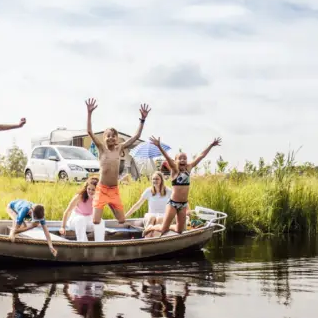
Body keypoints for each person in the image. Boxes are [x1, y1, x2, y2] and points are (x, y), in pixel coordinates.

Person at [84, 97, 150, 241]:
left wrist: (142, 120)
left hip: (114, 190)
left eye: (114, 136)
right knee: (95, 221)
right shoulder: (101, 148)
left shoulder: (120, 148)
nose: (111, 138)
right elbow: (89, 131)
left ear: (117, 139)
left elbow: (136, 136)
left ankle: (112, 207)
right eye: (108, 136)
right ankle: (96, 221)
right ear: (104, 138)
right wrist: (89, 113)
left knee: (121, 220)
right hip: (101, 189)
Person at [149, 136, 221, 235]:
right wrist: (159, 146)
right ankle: (151, 227)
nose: (183, 160)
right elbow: (167, 158)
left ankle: (167, 227)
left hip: (183, 205)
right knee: (163, 229)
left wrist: (211, 145)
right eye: (180, 158)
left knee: (179, 230)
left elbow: (201, 156)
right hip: (173, 204)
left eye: (185, 158)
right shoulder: (174, 170)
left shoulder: (189, 168)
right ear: (175, 161)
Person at [60, 177, 98, 242]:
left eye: (93, 190)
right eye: (89, 189)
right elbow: (67, 211)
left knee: (101, 222)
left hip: (87, 220)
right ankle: (83, 244)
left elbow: (96, 216)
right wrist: (62, 227)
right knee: (81, 219)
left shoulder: (98, 198)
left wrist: (95, 200)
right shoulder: (80, 196)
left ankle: (100, 244)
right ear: (86, 188)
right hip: (75, 220)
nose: (90, 191)